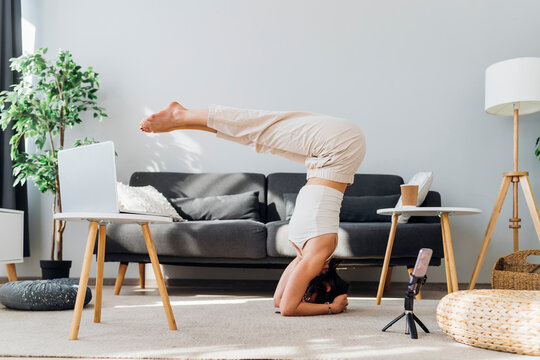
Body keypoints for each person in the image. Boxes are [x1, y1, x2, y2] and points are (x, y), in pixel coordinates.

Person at [140, 102, 366, 316]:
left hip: (334, 153)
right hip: (339, 146)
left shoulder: (307, 253)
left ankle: (185, 119)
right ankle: (182, 116)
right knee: (264, 130)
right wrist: (329, 307)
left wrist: (330, 307)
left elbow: (282, 303)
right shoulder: (315, 253)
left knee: (260, 139)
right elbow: (289, 306)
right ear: (324, 285)